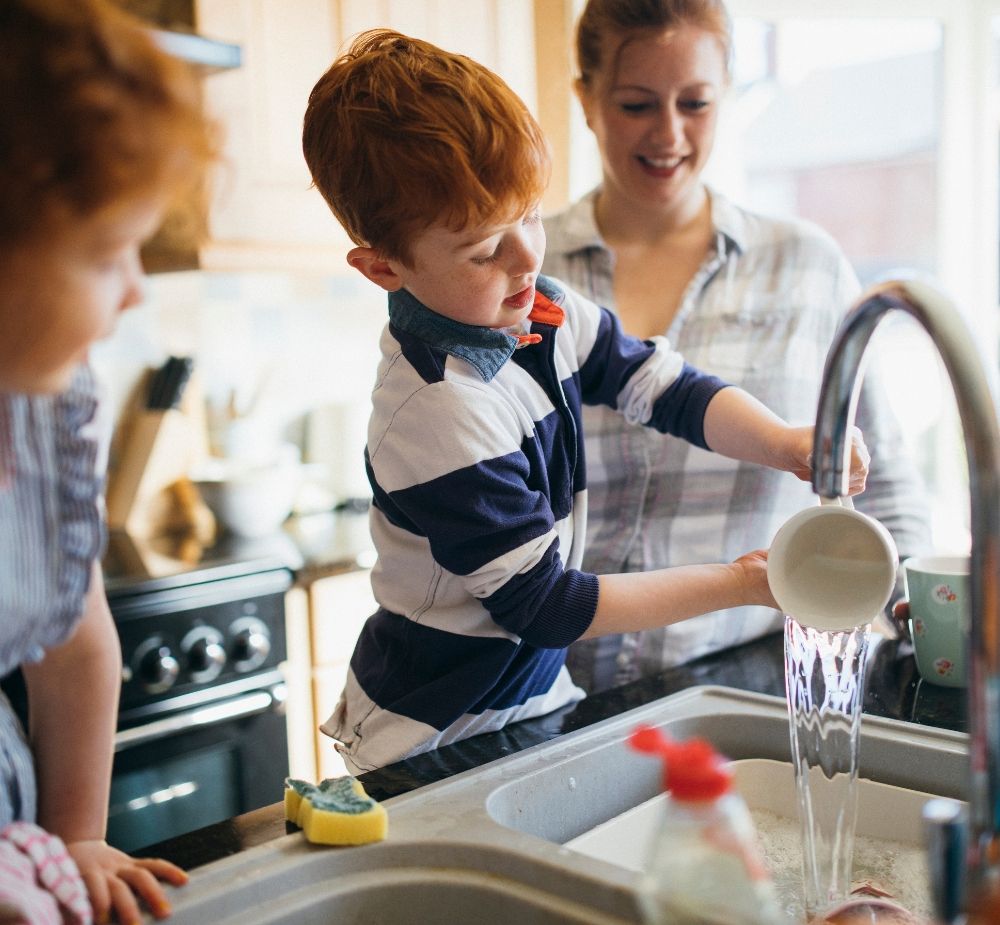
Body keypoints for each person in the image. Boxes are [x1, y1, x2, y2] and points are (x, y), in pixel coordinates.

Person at [300, 29, 869, 774]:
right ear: (382, 267)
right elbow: (549, 606)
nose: (527, 257)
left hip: (530, 708)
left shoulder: (537, 310)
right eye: (483, 248)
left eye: (530, 216)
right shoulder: (437, 412)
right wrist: (741, 583)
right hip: (431, 736)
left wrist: (786, 442)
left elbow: (667, 388)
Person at [542, 0, 931, 692]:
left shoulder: (806, 266)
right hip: (553, 692)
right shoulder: (524, 275)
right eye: (636, 105)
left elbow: (887, 486)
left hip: (753, 680)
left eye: (696, 103)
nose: (669, 134)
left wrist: (924, 630)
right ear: (587, 100)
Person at [0, 1, 216, 921]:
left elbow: (74, 634)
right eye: (104, 250)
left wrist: (73, 835)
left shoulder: (48, 398)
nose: (136, 286)